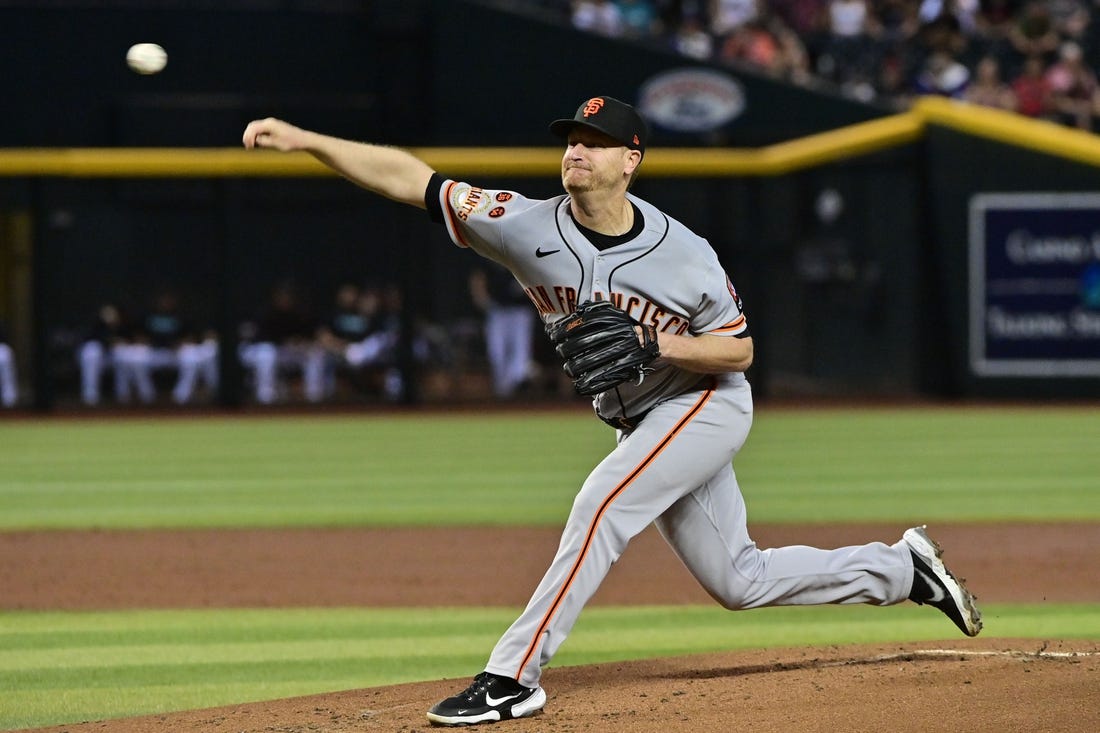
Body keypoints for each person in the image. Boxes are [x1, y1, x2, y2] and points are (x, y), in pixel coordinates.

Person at [243, 94, 983, 727]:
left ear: (630, 160)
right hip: (640, 419)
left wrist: (655, 341)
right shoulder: (522, 224)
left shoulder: (684, 252)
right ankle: (902, 569)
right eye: (572, 140)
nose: (577, 151)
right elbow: (413, 179)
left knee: (602, 502)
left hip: (703, 404)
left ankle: (512, 678)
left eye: (594, 143)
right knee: (739, 580)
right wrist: (308, 140)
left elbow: (739, 352)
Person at [469, 264, 537, 399]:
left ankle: (515, 389)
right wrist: (480, 297)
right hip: (497, 310)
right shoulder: (491, 253)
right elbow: (478, 277)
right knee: (496, 352)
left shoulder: (521, 254)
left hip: (520, 310)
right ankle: (502, 392)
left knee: (521, 354)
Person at [0, 319, 17, 408]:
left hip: (2, 349)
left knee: (6, 377)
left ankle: (9, 402)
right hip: (4, 350)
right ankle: (9, 401)